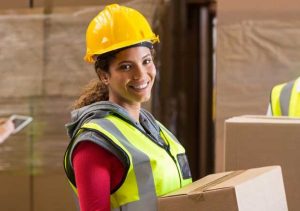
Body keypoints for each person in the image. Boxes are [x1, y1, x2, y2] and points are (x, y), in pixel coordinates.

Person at [63, 4, 192, 211]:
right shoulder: (94, 144)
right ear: (104, 75)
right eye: (126, 66)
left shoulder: (154, 129)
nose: (141, 75)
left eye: (146, 61)